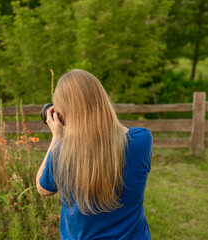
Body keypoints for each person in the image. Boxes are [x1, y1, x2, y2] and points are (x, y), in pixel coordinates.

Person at [36, 69, 152, 240]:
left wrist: (57, 137)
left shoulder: (61, 152)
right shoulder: (142, 139)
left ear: (64, 114)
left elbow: (43, 188)